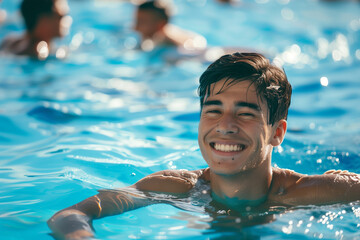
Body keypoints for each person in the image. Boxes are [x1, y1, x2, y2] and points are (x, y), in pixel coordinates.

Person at [47, 52, 360, 239]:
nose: (225, 125)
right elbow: (69, 216)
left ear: (277, 132)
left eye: (245, 113)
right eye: (213, 110)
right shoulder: (175, 187)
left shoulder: (316, 192)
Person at [0, 0, 71, 59]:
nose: (68, 20)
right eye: (60, 17)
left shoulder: (9, 41)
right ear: (43, 20)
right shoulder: (38, 50)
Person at [133, 0, 206, 51]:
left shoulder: (171, 43)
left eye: (142, 22)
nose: (135, 27)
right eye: (136, 21)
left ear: (160, 25)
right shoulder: (152, 36)